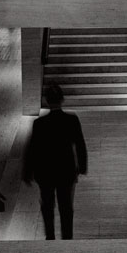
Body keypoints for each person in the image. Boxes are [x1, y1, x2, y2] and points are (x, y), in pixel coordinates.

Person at [22, 84, 87, 240]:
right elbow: (80, 144)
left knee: (47, 205)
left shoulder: (39, 124)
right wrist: (82, 167)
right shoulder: (71, 120)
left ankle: (50, 237)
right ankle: (67, 237)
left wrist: (27, 172)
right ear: (62, 99)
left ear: (46, 100)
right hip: (66, 171)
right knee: (66, 207)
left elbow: (32, 149)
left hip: (45, 172)